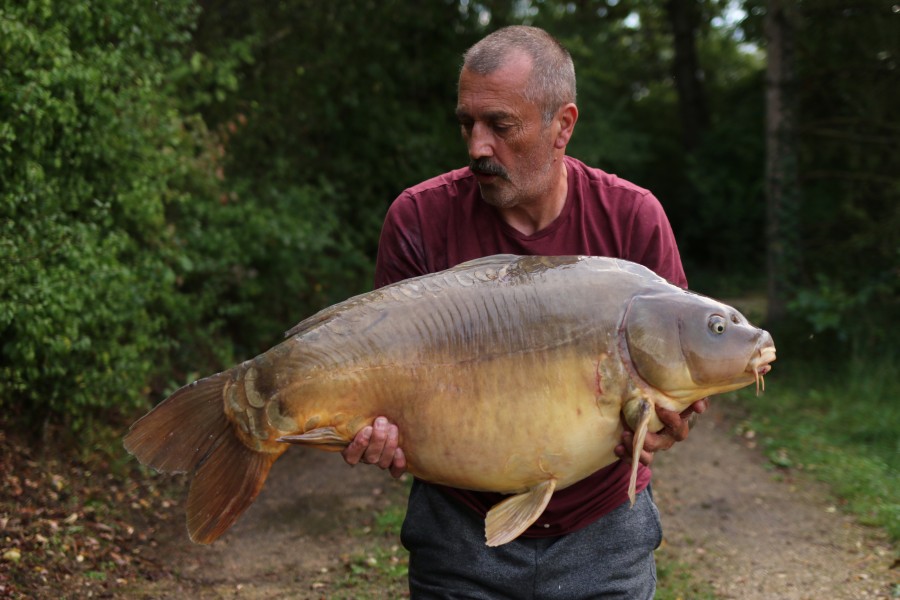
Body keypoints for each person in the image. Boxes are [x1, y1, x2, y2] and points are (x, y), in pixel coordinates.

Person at [342, 25, 707, 599]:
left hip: (604, 529)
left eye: (500, 126)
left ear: (563, 125)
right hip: (457, 531)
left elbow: (686, 371)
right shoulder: (417, 219)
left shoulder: (633, 218)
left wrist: (677, 417)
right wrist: (379, 432)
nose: (477, 147)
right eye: (467, 124)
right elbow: (382, 381)